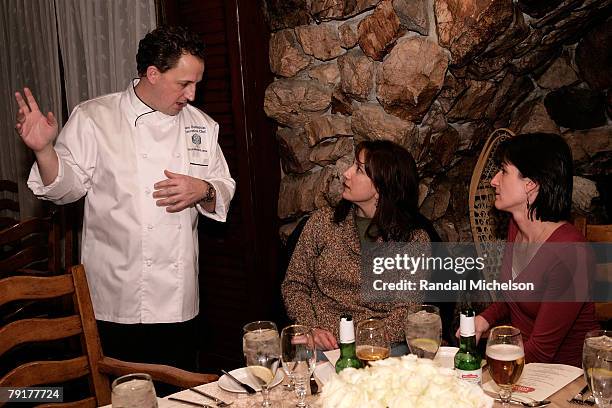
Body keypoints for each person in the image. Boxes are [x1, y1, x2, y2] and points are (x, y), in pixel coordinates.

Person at [14, 26, 235, 371]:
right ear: (152, 74)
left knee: (178, 394)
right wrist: (44, 150)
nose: (192, 94)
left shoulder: (202, 126)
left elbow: (223, 184)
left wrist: (203, 190)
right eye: (183, 84)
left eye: (197, 84)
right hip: (115, 297)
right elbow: (66, 189)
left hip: (178, 300)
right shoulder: (95, 117)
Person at [281, 140, 440, 354]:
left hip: (381, 346)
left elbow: (406, 311)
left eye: (359, 170)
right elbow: (295, 283)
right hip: (321, 343)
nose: (347, 173)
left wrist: (362, 342)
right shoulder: (322, 222)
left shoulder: (413, 241)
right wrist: (311, 328)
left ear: (382, 187)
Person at [471, 132, 599, 367]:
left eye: (504, 171)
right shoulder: (516, 228)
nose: (494, 181)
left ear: (530, 184)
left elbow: (542, 351)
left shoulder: (570, 252)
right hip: (522, 366)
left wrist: (486, 372)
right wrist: (484, 319)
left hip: (563, 381)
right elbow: (514, 298)